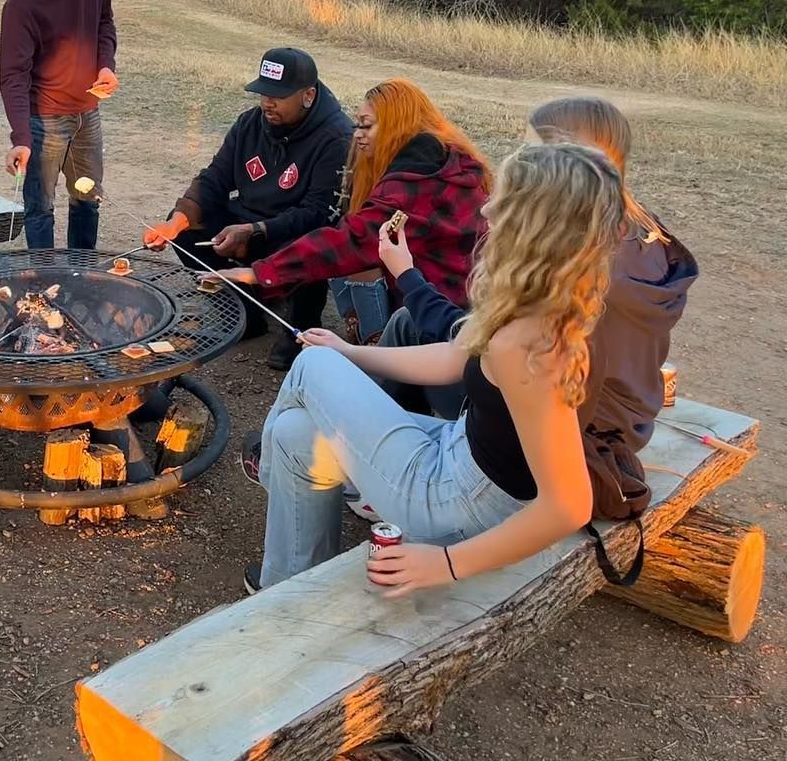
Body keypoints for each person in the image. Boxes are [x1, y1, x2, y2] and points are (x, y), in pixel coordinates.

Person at [245, 142, 625, 594]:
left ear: (532, 226)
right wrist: (349, 352)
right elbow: (451, 358)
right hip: (456, 454)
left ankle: (264, 468)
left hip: (456, 504)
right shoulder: (540, 298)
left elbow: (569, 505)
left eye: (503, 200)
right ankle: (287, 592)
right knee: (294, 434)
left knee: (310, 365)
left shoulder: (529, 344)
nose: (487, 208)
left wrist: (444, 564)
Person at [375, 97, 697, 506]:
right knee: (413, 321)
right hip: (625, 422)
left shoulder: (580, 255)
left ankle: (396, 475)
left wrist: (408, 276)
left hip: (571, 440)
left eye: (532, 152)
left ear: (568, 163)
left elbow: (481, 346)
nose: (519, 162)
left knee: (412, 325)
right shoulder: (637, 227)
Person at [217, 79, 491, 346]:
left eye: (367, 125)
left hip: (442, 322)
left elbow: (352, 241)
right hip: (458, 299)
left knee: (349, 255)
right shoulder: (449, 158)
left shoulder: (417, 182)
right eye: (357, 124)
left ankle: (380, 358)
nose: (357, 133)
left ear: (398, 126)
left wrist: (259, 273)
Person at [144, 47, 352, 369]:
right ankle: (246, 312)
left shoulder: (335, 137)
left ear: (308, 95)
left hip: (289, 230)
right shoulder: (250, 125)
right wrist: (177, 220)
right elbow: (214, 178)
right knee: (187, 230)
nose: (267, 102)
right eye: (264, 93)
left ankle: (299, 328)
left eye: (278, 96)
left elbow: (318, 211)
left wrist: (256, 231)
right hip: (245, 223)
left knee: (313, 240)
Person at [0, 0, 118, 250]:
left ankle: (80, 278)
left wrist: (105, 65)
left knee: (88, 199)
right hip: (43, 119)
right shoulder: (22, 3)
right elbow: (12, 76)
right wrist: (21, 136)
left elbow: (104, 23)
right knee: (40, 208)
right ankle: (45, 286)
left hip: (87, 113)